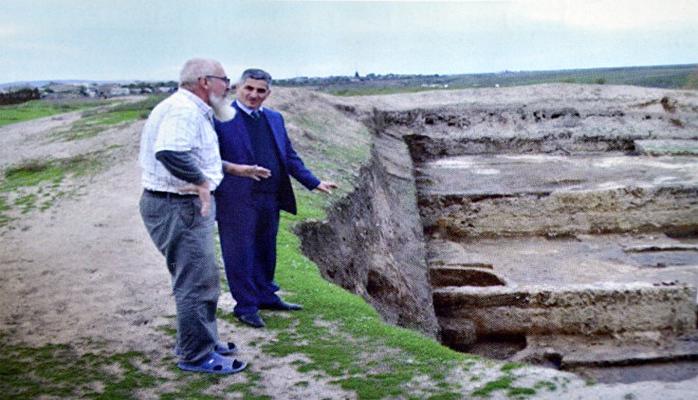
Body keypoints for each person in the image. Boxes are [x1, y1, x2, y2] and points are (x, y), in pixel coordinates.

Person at [138, 58, 247, 374]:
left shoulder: (190, 109)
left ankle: (203, 341)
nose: (229, 86)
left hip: (180, 205)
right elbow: (169, 152)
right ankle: (196, 355)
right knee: (195, 282)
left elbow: (192, 154)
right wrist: (201, 182)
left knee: (201, 277)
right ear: (204, 81)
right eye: (224, 79)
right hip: (178, 206)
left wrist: (231, 169)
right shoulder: (184, 110)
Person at [215, 68, 337, 328]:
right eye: (249, 88)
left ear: (268, 93)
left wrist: (313, 182)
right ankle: (246, 306)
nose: (254, 95)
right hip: (236, 200)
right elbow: (209, 158)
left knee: (266, 249)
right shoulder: (219, 118)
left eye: (260, 91)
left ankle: (266, 296)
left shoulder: (274, 118)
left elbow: (289, 156)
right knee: (240, 253)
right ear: (238, 88)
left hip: (269, 196)